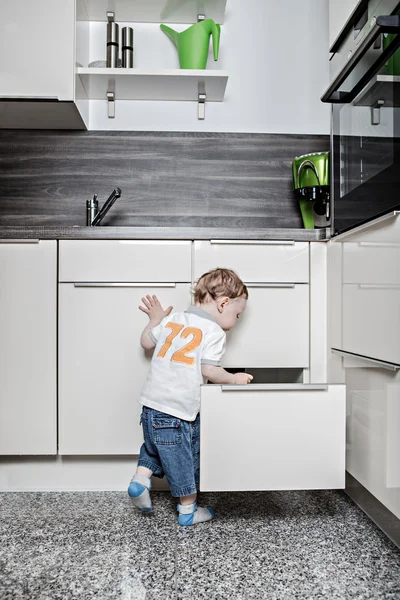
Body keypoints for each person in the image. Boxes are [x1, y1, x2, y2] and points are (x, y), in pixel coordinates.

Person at [128, 267, 253, 526]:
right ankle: (188, 511)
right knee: (182, 459)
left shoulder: (173, 320)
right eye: (237, 315)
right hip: (178, 412)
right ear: (223, 303)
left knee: (154, 447)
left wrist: (155, 319)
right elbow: (209, 370)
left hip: (150, 405)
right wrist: (234, 378)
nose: (237, 320)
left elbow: (146, 343)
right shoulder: (215, 332)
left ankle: (140, 480)